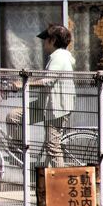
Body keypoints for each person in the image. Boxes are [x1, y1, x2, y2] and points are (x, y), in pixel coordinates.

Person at [6, 24, 76, 167]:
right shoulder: (56, 57)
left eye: (46, 39)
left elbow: (48, 81)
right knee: (13, 116)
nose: (44, 43)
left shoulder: (60, 57)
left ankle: (59, 184)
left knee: (53, 147)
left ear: (53, 40)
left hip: (57, 109)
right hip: (44, 104)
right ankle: (20, 152)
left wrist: (24, 84)